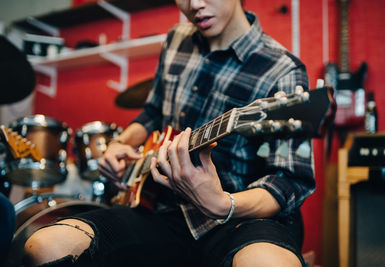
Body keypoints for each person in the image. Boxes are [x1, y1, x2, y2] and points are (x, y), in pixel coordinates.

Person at [23, 0, 315, 266]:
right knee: (44, 246)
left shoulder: (283, 70)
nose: (194, 5)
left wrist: (222, 203)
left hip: (242, 219)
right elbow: (152, 113)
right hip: (165, 211)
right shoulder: (177, 39)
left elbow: (289, 181)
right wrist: (119, 144)